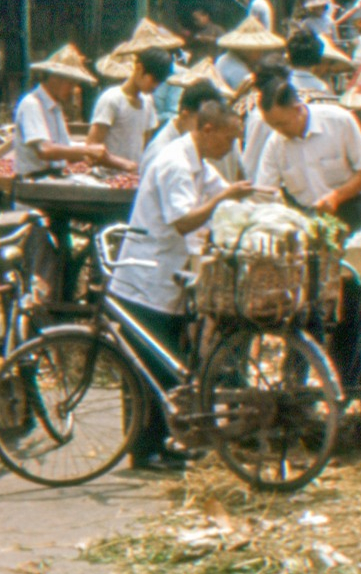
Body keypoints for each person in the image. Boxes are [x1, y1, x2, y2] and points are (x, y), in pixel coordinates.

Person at [106, 88, 256, 471]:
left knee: (168, 366)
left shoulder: (201, 163)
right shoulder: (174, 163)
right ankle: (143, 451)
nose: (232, 145)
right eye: (228, 137)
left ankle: (164, 441)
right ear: (207, 129)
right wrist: (225, 200)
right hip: (145, 279)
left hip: (168, 279)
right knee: (145, 371)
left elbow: (223, 195)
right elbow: (184, 218)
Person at [254, 76, 361, 225]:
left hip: (350, 210)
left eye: (282, 124)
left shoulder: (339, 121)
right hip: (305, 217)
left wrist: (336, 197)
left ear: (298, 109)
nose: (279, 130)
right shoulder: (275, 143)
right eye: (273, 126)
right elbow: (265, 192)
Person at [11, 45, 105, 181]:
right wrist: (87, 150)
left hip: (55, 178)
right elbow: (45, 150)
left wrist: (91, 150)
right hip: (35, 183)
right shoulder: (32, 104)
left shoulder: (56, 108)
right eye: (70, 83)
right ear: (54, 77)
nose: (72, 89)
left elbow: (65, 148)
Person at [87, 48, 171, 175]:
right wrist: (123, 165)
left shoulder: (148, 103)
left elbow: (146, 146)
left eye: (158, 83)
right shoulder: (112, 99)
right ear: (139, 69)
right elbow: (91, 147)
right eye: (153, 80)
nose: (155, 87)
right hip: (106, 177)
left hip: (132, 179)